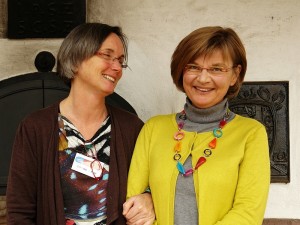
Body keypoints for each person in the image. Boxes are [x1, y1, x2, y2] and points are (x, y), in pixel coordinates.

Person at [6, 23, 154, 225]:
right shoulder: (35, 127)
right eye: (107, 55)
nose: (117, 67)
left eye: (120, 60)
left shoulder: (132, 127)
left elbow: (156, 184)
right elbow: (19, 211)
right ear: (76, 59)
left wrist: (149, 197)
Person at [126, 26, 270, 225]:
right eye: (193, 67)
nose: (203, 78)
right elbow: (134, 203)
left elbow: (248, 212)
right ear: (181, 70)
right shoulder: (153, 129)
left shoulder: (251, 134)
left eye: (216, 69)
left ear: (235, 75)